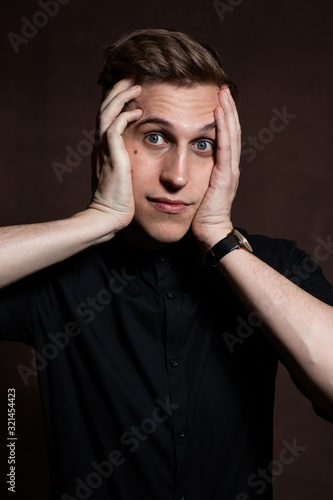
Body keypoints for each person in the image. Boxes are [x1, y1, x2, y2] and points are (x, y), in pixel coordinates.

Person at [1, 28, 333, 500]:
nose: (178, 176)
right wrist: (96, 220)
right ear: (111, 143)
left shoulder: (274, 265)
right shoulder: (55, 276)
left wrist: (220, 238)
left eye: (203, 145)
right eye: (156, 137)